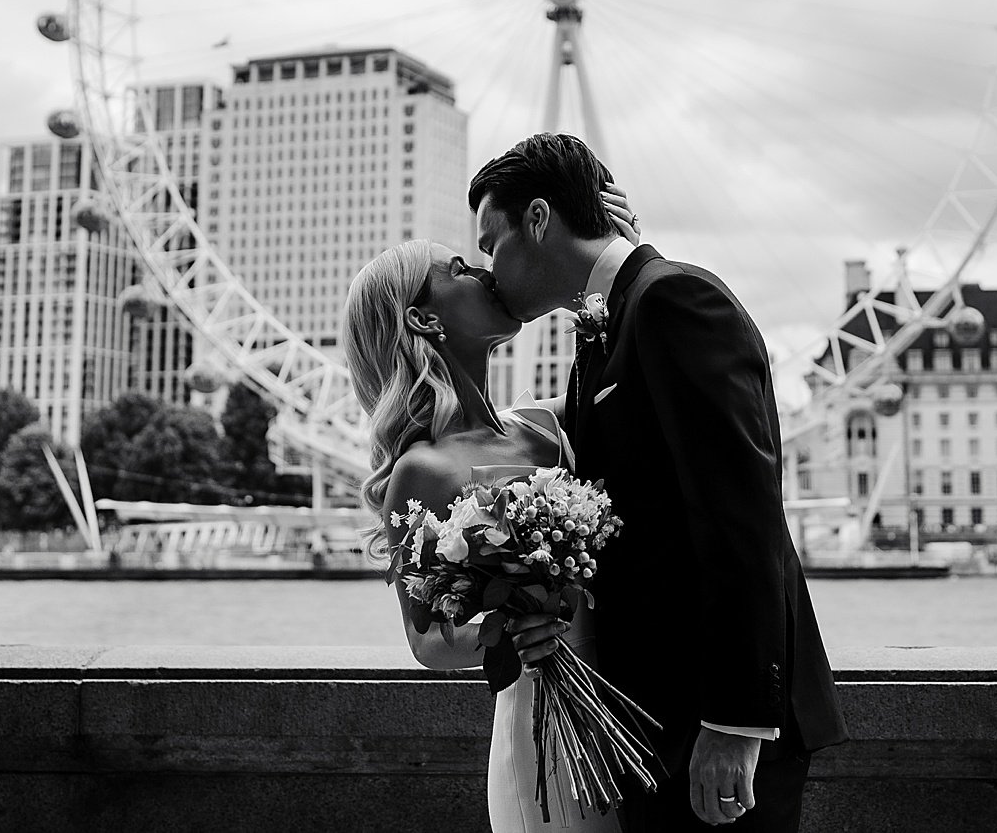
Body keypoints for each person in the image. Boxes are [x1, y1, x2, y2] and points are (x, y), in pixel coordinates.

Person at [469, 134, 846, 832]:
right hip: (651, 718)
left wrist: (734, 723)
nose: (490, 270)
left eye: (492, 244)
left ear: (541, 218)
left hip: (709, 719)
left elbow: (742, 520)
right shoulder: (610, 323)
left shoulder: (674, 300)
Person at [343, 187, 641, 832]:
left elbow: (644, 376)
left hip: (636, 706)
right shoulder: (423, 470)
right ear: (424, 320)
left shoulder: (546, 427)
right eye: (456, 269)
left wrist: (623, 255)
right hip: (543, 727)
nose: (482, 269)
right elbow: (426, 640)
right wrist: (504, 631)